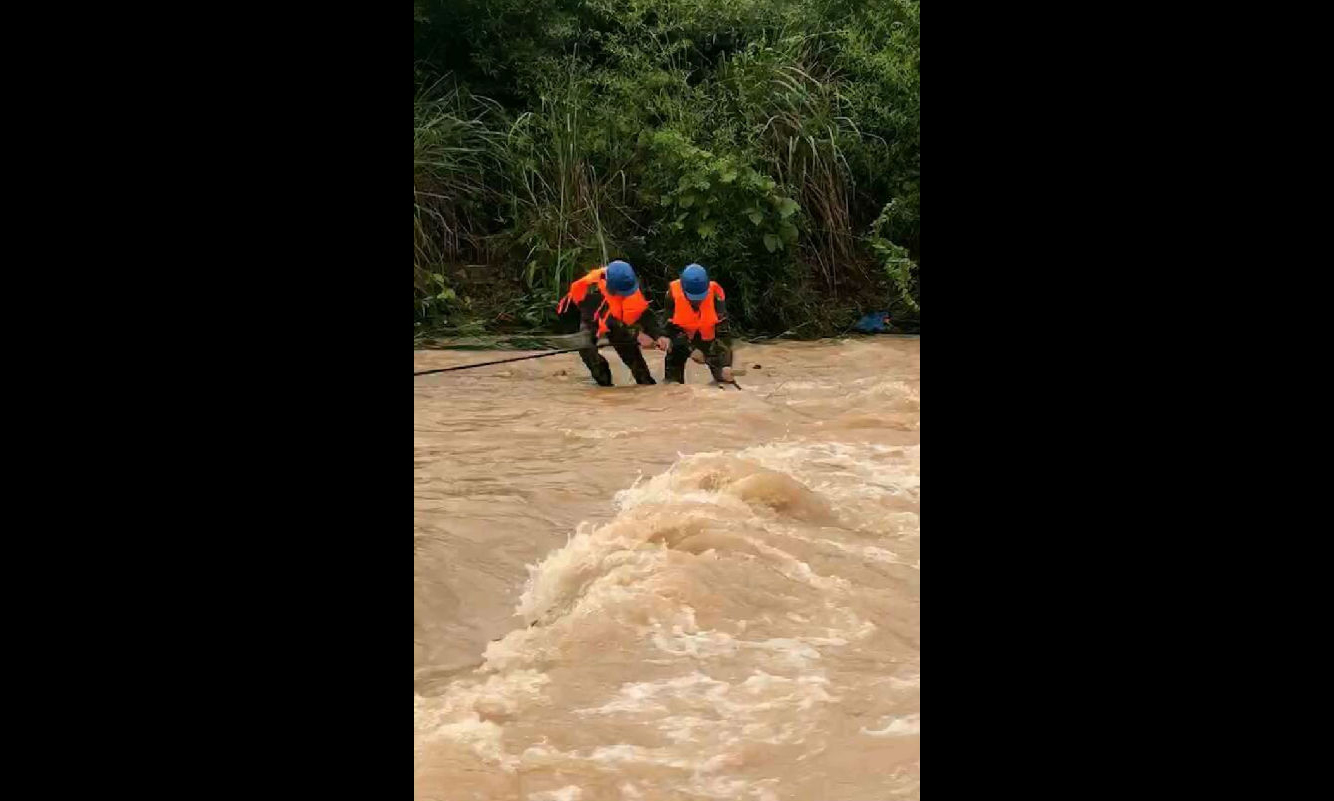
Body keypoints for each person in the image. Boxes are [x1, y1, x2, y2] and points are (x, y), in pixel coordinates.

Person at [557, 260, 671, 386]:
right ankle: (605, 386)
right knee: (587, 349)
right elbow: (602, 318)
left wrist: (659, 335)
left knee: (634, 359)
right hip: (591, 319)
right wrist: (637, 334)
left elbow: (644, 314)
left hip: (617, 320)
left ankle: (646, 385)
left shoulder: (631, 285)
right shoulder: (591, 289)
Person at [662, 263, 734, 385]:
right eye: (693, 298)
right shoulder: (672, 295)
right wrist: (691, 349)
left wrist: (726, 365)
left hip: (708, 338)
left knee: (725, 378)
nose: (697, 301)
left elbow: (723, 332)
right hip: (681, 339)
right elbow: (670, 328)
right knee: (672, 385)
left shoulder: (716, 296)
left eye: (700, 297)